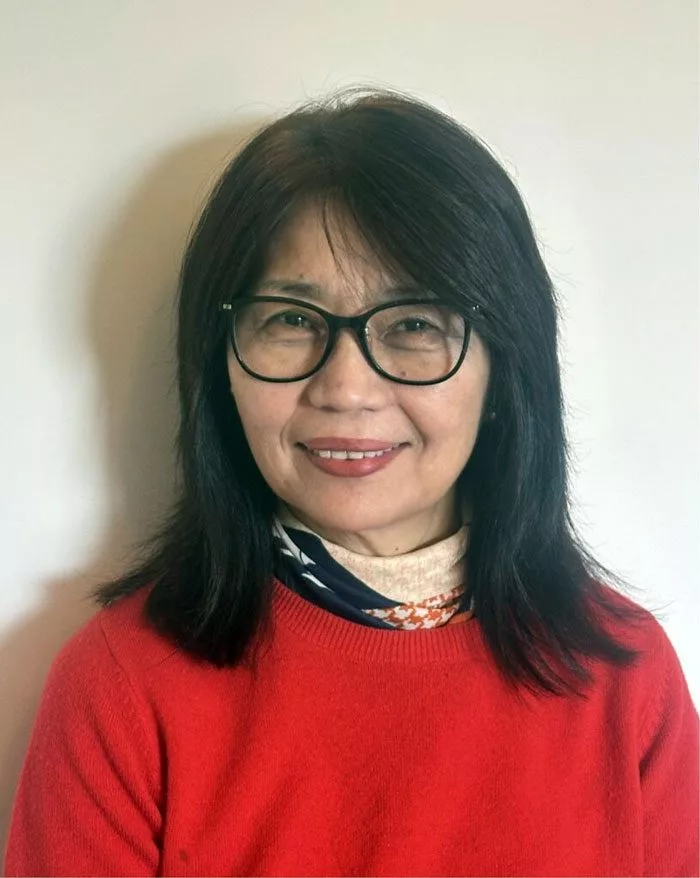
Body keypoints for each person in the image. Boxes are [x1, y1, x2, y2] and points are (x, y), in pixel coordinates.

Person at [4, 87, 698, 877]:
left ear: (504, 367)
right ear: (220, 365)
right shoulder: (122, 687)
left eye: (413, 324)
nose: (346, 389)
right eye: (291, 320)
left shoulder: (628, 681)